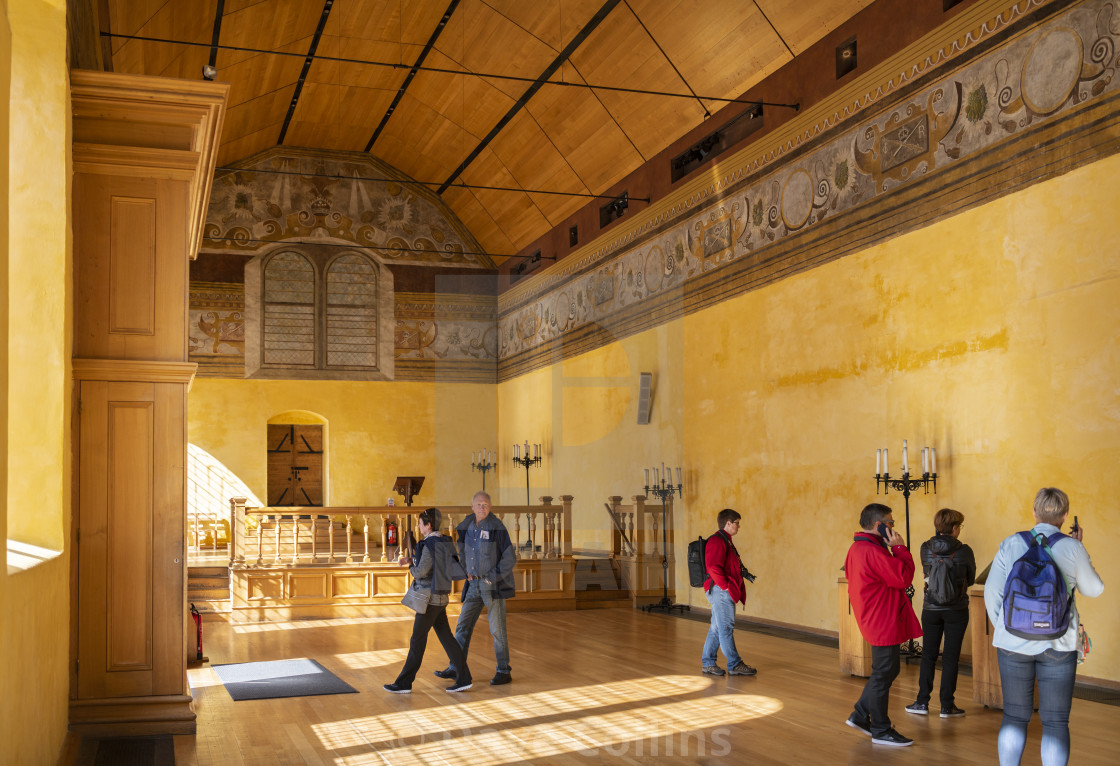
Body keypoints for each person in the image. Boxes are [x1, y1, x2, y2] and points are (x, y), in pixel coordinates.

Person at [984, 488, 1104, 766]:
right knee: (1055, 721)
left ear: (1035, 513)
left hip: (1012, 643)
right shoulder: (1073, 547)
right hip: (1059, 642)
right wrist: (1079, 549)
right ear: (1064, 516)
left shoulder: (1011, 543)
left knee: (1014, 716)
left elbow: (993, 592)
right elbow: (1094, 589)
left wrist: (1007, 629)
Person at [843, 503, 922, 747]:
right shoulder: (873, 551)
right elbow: (903, 577)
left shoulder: (858, 548)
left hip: (875, 615)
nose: (893, 527)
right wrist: (899, 547)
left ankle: (860, 715)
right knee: (884, 671)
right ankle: (880, 729)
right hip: (881, 618)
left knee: (888, 670)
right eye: (890, 523)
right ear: (879, 525)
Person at [384, 507, 473, 694]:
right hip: (441, 597)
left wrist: (410, 568)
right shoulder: (444, 541)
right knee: (447, 639)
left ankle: (404, 683)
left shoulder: (427, 544)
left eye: (420, 523)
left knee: (417, 640)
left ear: (428, 525)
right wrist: (412, 559)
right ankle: (464, 678)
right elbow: (436, 563)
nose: (418, 525)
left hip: (429, 600)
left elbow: (421, 571)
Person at [435, 491, 517, 685]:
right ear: (472, 507)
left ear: (490, 507)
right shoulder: (467, 527)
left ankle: (504, 671)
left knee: (497, 630)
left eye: (486, 504)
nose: (482, 507)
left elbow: (509, 558)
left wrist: (492, 578)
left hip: (491, 586)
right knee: (462, 626)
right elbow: (462, 551)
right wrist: (465, 570)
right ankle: (456, 667)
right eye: (479, 504)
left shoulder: (497, 527)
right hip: (473, 585)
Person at [905, 508, 976, 718]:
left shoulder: (925, 548)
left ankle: (921, 702)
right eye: (959, 526)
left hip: (931, 609)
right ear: (954, 528)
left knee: (928, 655)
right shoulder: (965, 551)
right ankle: (947, 706)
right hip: (957, 609)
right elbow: (970, 579)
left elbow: (927, 574)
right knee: (951, 658)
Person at [700, 508, 757, 677]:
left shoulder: (726, 540)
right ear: (728, 523)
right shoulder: (718, 541)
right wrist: (725, 586)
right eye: (737, 523)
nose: (739, 526)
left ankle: (708, 663)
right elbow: (713, 567)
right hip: (720, 591)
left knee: (717, 628)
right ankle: (734, 664)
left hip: (720, 590)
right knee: (725, 628)